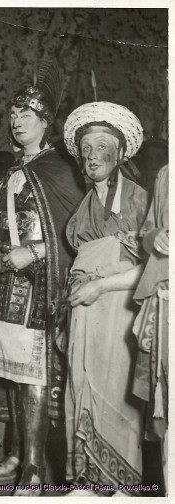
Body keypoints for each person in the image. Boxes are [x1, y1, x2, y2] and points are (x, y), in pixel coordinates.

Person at [0, 77, 85, 495]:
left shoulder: (59, 167)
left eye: (27, 115)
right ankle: (17, 449)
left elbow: (72, 231)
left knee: (31, 372)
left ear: (45, 121)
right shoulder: (16, 165)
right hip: (3, 280)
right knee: (11, 371)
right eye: (13, 114)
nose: (17, 121)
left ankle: (33, 467)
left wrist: (32, 254)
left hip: (35, 283)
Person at [62, 102, 149, 496]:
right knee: (80, 385)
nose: (92, 155)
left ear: (119, 153)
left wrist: (99, 285)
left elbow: (151, 269)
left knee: (115, 389)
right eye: (86, 147)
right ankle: (87, 478)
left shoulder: (136, 199)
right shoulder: (84, 204)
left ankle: (122, 485)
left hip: (118, 306)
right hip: (84, 309)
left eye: (102, 145)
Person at [132, 163, 168, 493]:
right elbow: (147, 232)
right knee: (165, 407)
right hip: (166, 303)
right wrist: (156, 237)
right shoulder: (166, 175)